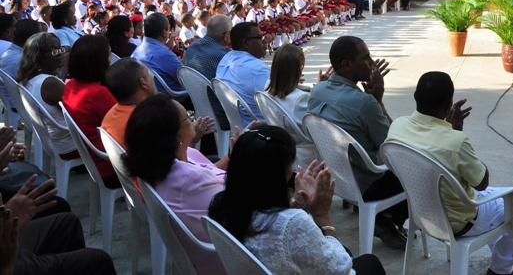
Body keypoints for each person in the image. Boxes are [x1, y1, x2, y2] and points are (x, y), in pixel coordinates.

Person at [386, 71, 513, 275]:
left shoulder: (397, 127)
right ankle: (501, 270)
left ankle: (501, 258)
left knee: (499, 205)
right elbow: (481, 183)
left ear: (415, 96)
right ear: (449, 105)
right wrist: (456, 132)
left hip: (422, 214)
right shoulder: (455, 141)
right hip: (460, 222)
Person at [208, 125, 385, 275]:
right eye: (291, 164)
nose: (293, 170)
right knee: (370, 262)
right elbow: (341, 268)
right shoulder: (293, 223)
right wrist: (321, 215)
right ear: (276, 174)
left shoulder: (223, 204)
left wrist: (296, 204)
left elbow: (270, 224)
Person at [124, 93, 249, 273]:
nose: (193, 119)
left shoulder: (161, 161)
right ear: (175, 134)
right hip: (229, 253)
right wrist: (247, 158)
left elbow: (209, 169)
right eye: (187, 117)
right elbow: (242, 203)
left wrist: (232, 155)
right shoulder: (190, 180)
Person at [308, 35, 408, 249]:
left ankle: (383, 218)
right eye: (366, 58)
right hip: (366, 183)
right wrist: (378, 101)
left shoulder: (317, 90)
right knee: (418, 168)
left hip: (334, 176)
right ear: (346, 65)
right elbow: (393, 146)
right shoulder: (365, 103)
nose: (372, 63)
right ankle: (387, 218)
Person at [60, 35, 119, 188]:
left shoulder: (71, 84)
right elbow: (127, 128)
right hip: (113, 167)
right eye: (108, 54)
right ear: (98, 61)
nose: (111, 58)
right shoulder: (97, 94)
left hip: (95, 161)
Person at [266, 44, 333, 168]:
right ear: (298, 70)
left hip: (281, 145)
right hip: (305, 156)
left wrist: (317, 87)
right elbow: (317, 130)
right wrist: (322, 92)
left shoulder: (268, 87)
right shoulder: (299, 99)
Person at [17, 32, 77, 159]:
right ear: (38, 56)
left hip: (59, 144)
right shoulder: (49, 83)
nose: (60, 53)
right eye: (53, 50)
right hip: (74, 147)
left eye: (60, 48)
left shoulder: (32, 79)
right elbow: (78, 115)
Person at [215, 22, 269, 125]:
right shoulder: (258, 69)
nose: (265, 41)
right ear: (246, 42)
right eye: (259, 38)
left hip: (237, 124)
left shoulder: (225, 59)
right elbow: (279, 101)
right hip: (261, 125)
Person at [102, 58, 156, 148]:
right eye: (148, 74)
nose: (151, 77)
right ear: (143, 83)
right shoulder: (148, 121)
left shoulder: (108, 116)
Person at [132, 13, 186, 96]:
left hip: (148, 98)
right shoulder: (165, 55)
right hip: (174, 100)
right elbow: (186, 80)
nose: (169, 32)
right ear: (164, 32)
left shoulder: (136, 50)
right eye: (168, 30)